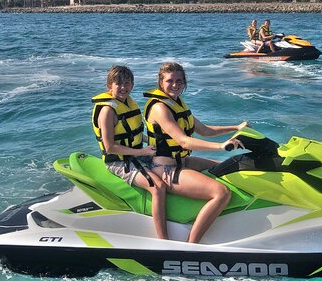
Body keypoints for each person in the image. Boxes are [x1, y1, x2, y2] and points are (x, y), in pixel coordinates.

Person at [143, 62, 247, 243]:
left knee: (229, 167)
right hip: (165, 169)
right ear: (161, 82)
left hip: (182, 161)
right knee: (221, 192)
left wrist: (236, 127)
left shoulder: (177, 103)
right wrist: (221, 146)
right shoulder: (160, 108)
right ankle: (192, 245)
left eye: (179, 80)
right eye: (170, 81)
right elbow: (183, 141)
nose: (175, 84)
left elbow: (205, 130)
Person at [91, 65, 168, 240]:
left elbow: (131, 133)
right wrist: (142, 152)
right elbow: (110, 146)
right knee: (158, 187)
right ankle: (164, 240)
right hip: (118, 161)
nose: (124, 87)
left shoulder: (126, 104)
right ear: (109, 86)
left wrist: (158, 139)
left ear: (132, 85)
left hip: (135, 154)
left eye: (127, 83)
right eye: (119, 84)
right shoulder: (107, 111)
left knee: (173, 162)